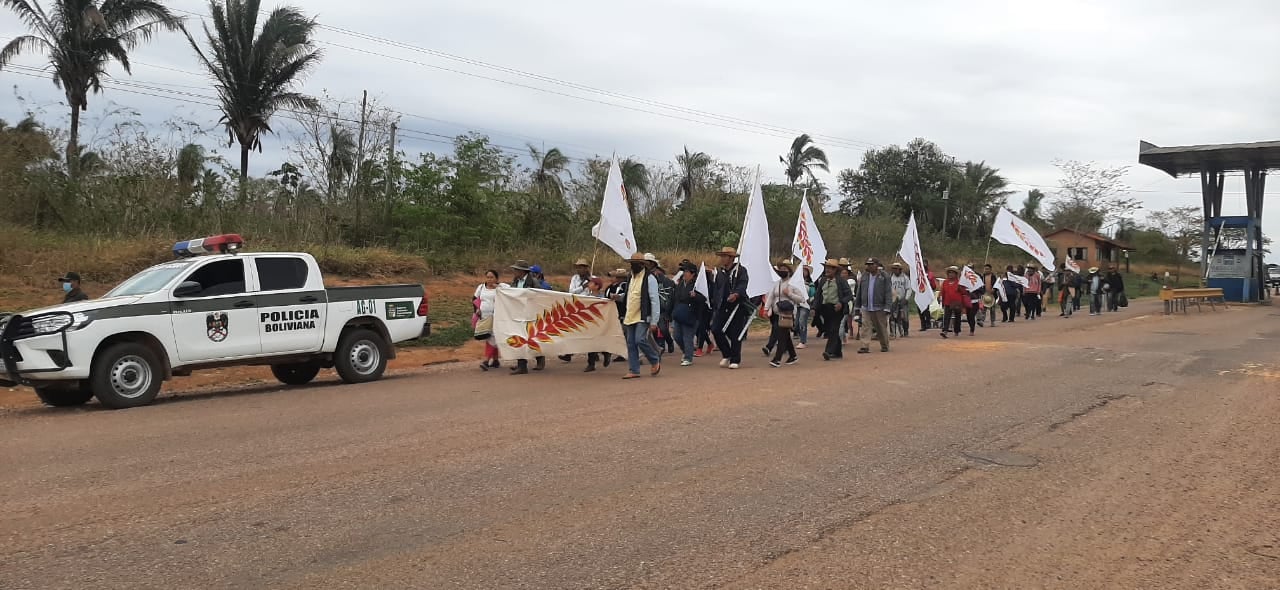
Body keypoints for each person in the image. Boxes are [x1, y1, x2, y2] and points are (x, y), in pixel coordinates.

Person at [619, 253, 662, 379]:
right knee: (631, 343)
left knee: (640, 339)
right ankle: (634, 369)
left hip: (643, 315)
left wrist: (654, 321)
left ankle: (654, 359)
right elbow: (629, 295)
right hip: (630, 314)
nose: (633, 266)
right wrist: (619, 297)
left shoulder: (650, 278)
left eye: (636, 263)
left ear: (643, 265)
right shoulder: (630, 277)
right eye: (632, 263)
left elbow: (655, 300)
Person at [710, 247, 750, 369]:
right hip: (723, 306)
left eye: (725, 256)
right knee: (716, 329)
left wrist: (736, 293)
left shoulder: (741, 271)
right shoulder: (720, 273)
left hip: (737, 306)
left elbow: (743, 284)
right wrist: (715, 302)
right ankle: (726, 354)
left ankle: (735, 359)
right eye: (722, 256)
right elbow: (717, 288)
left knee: (735, 333)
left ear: (732, 258)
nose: (722, 259)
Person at [766, 261, 808, 367]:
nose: (782, 271)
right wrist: (767, 308)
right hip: (776, 314)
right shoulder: (777, 284)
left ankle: (777, 359)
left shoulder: (793, 285)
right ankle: (793, 356)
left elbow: (801, 299)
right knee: (785, 335)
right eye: (781, 269)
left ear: (789, 271)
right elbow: (771, 296)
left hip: (787, 315)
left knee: (781, 335)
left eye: (785, 269)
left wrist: (789, 294)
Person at [509, 260, 546, 374]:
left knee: (532, 338)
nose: (514, 271)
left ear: (522, 271)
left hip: (530, 314)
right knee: (520, 338)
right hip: (519, 313)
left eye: (516, 270)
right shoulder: (515, 282)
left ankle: (539, 358)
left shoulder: (533, 282)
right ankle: (522, 365)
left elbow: (541, 294)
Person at [814, 259, 853, 361]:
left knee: (833, 330)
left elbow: (849, 295)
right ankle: (838, 352)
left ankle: (828, 351)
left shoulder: (841, 281)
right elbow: (818, 296)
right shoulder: (822, 280)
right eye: (826, 268)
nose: (827, 270)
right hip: (825, 309)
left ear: (835, 270)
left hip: (837, 309)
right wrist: (814, 308)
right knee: (830, 330)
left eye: (830, 268)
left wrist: (841, 303)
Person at [671, 261, 705, 366]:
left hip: (691, 315)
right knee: (676, 336)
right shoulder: (680, 284)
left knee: (687, 337)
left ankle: (688, 357)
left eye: (686, 271)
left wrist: (696, 296)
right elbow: (674, 299)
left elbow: (704, 299)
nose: (684, 273)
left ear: (692, 273)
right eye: (684, 271)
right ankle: (686, 351)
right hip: (679, 314)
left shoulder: (697, 285)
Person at [855, 257, 891, 354]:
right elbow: (859, 291)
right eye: (868, 264)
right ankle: (864, 346)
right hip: (866, 306)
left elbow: (888, 292)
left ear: (877, 265)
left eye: (871, 264)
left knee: (881, 328)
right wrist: (857, 306)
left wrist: (887, 307)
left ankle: (884, 345)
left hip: (879, 306)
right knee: (865, 326)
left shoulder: (884, 276)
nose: (869, 266)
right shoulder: (864, 276)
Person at [474, 270, 506, 371]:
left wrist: (498, 287)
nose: (489, 279)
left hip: (496, 317)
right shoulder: (481, 287)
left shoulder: (501, 288)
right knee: (490, 337)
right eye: (487, 277)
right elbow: (474, 299)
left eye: (492, 277)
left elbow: (510, 291)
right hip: (484, 317)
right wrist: (477, 309)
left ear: (496, 278)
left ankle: (486, 361)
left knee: (492, 337)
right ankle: (496, 360)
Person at [582, 276, 614, 373]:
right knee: (590, 343)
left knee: (598, 341)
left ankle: (605, 353)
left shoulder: (602, 298)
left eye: (591, 283)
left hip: (599, 323)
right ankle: (591, 363)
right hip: (589, 322)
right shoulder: (586, 296)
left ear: (596, 286)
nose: (589, 284)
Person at [938, 266, 970, 338]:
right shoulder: (945, 282)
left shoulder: (959, 283)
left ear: (956, 274)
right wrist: (940, 299)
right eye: (949, 273)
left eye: (952, 273)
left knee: (957, 317)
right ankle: (945, 331)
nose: (950, 274)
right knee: (946, 317)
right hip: (947, 302)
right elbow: (942, 292)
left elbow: (964, 292)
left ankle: (957, 331)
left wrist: (960, 289)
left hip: (957, 302)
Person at [793, 265, 814, 349]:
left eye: (805, 271)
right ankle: (799, 336)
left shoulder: (810, 283)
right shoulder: (797, 282)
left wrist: (811, 303)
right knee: (797, 323)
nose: (803, 272)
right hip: (797, 304)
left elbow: (812, 294)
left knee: (802, 322)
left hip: (806, 305)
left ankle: (803, 341)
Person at [889, 262, 912, 338]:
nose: (894, 270)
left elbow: (909, 289)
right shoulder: (890, 277)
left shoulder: (905, 278)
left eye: (896, 269)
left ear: (900, 269)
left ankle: (905, 331)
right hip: (893, 299)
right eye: (893, 268)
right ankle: (893, 332)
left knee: (904, 316)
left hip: (902, 299)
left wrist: (906, 298)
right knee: (892, 316)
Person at [918, 260, 936, 331]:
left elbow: (933, 285)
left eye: (925, 264)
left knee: (926, 309)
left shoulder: (930, 274)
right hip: (920, 293)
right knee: (920, 309)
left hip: (927, 293)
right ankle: (923, 325)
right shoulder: (918, 274)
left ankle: (928, 323)